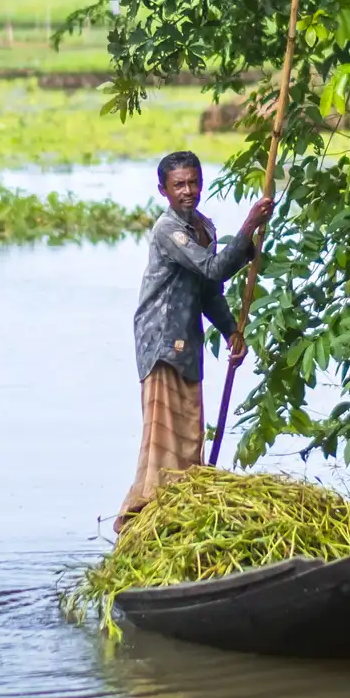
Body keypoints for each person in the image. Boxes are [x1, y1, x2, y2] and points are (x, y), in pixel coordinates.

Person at [117, 151, 274, 528]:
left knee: (190, 433)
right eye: (179, 185)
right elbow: (212, 266)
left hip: (188, 342)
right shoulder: (167, 230)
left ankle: (181, 510)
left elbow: (209, 290)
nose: (188, 191)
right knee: (162, 439)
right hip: (160, 342)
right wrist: (249, 226)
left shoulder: (203, 227)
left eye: (193, 182)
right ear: (164, 191)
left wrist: (231, 331)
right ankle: (144, 515)